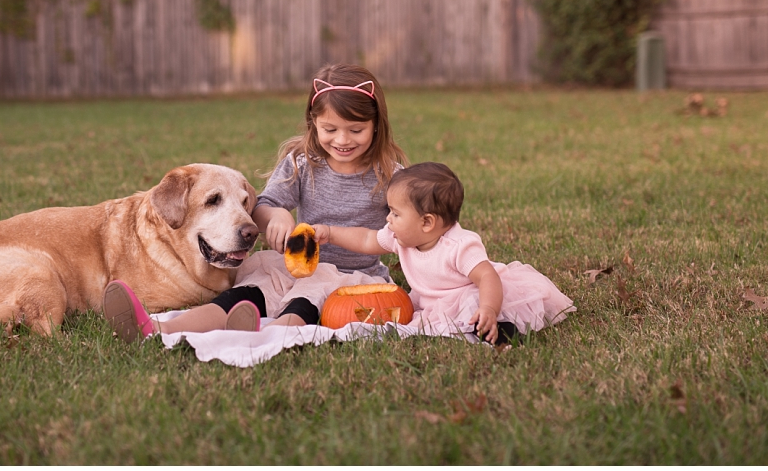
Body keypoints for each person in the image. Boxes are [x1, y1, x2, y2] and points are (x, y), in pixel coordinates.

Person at [104, 63, 408, 342]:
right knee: (249, 289)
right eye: (330, 130)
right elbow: (263, 205)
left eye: (356, 130)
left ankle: (268, 337)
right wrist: (276, 217)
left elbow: (403, 232)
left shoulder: (389, 177)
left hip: (352, 280)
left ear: (376, 125)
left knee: (308, 299)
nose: (342, 140)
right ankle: (158, 328)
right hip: (298, 267)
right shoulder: (303, 164)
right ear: (313, 123)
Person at [315, 162, 574, 344]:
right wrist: (330, 232)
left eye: (395, 213)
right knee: (415, 318)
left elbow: (487, 277)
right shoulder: (401, 237)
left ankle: (499, 329)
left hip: (470, 294)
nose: (388, 219)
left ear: (426, 222)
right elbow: (367, 239)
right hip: (433, 302)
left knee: (473, 309)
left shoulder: (459, 245)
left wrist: (489, 308)